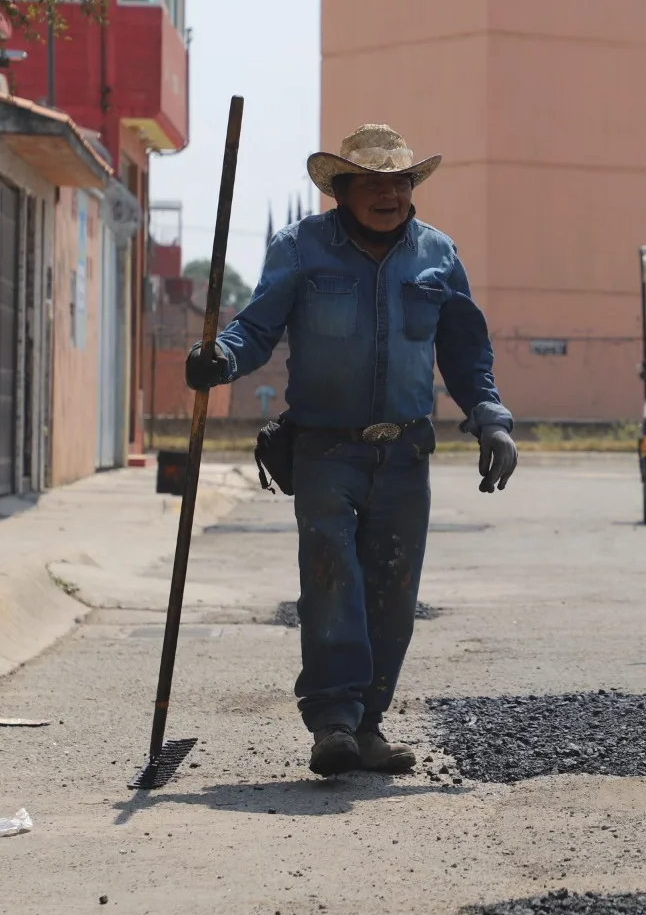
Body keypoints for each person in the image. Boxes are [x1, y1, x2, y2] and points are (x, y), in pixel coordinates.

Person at [184, 124, 518, 777]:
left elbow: (467, 355)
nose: (388, 195)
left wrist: (492, 422)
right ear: (342, 190)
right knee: (332, 577)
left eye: (399, 182)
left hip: (405, 455)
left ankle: (367, 726)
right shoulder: (301, 250)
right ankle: (332, 723)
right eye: (372, 183)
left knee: (393, 593)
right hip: (325, 451)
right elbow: (255, 329)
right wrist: (218, 359)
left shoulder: (439, 257)